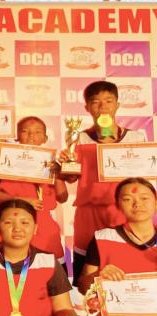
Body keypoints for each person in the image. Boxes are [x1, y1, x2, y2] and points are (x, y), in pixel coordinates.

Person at [27, 178, 156, 316]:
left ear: (156, 202)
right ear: (117, 204)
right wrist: (98, 276)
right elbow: (83, 285)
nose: (137, 204)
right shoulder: (104, 238)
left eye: (144, 198)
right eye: (127, 199)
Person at [57, 81, 147, 285]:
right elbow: (71, 178)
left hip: (124, 212)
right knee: (87, 275)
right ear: (87, 108)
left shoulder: (135, 138)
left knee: (129, 270)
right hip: (90, 213)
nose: (103, 106)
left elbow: (145, 175)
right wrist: (67, 164)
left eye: (108, 101)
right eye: (96, 102)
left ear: (117, 105)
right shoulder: (79, 139)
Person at [0, 116, 68, 267]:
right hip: (12, 223)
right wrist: (20, 201)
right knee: (10, 272)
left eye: (37, 132)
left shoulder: (52, 164)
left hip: (44, 226)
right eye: (25, 131)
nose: (31, 135)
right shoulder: (5, 159)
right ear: (17, 136)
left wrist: (57, 175)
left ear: (45, 138)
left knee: (49, 271)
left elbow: (63, 197)